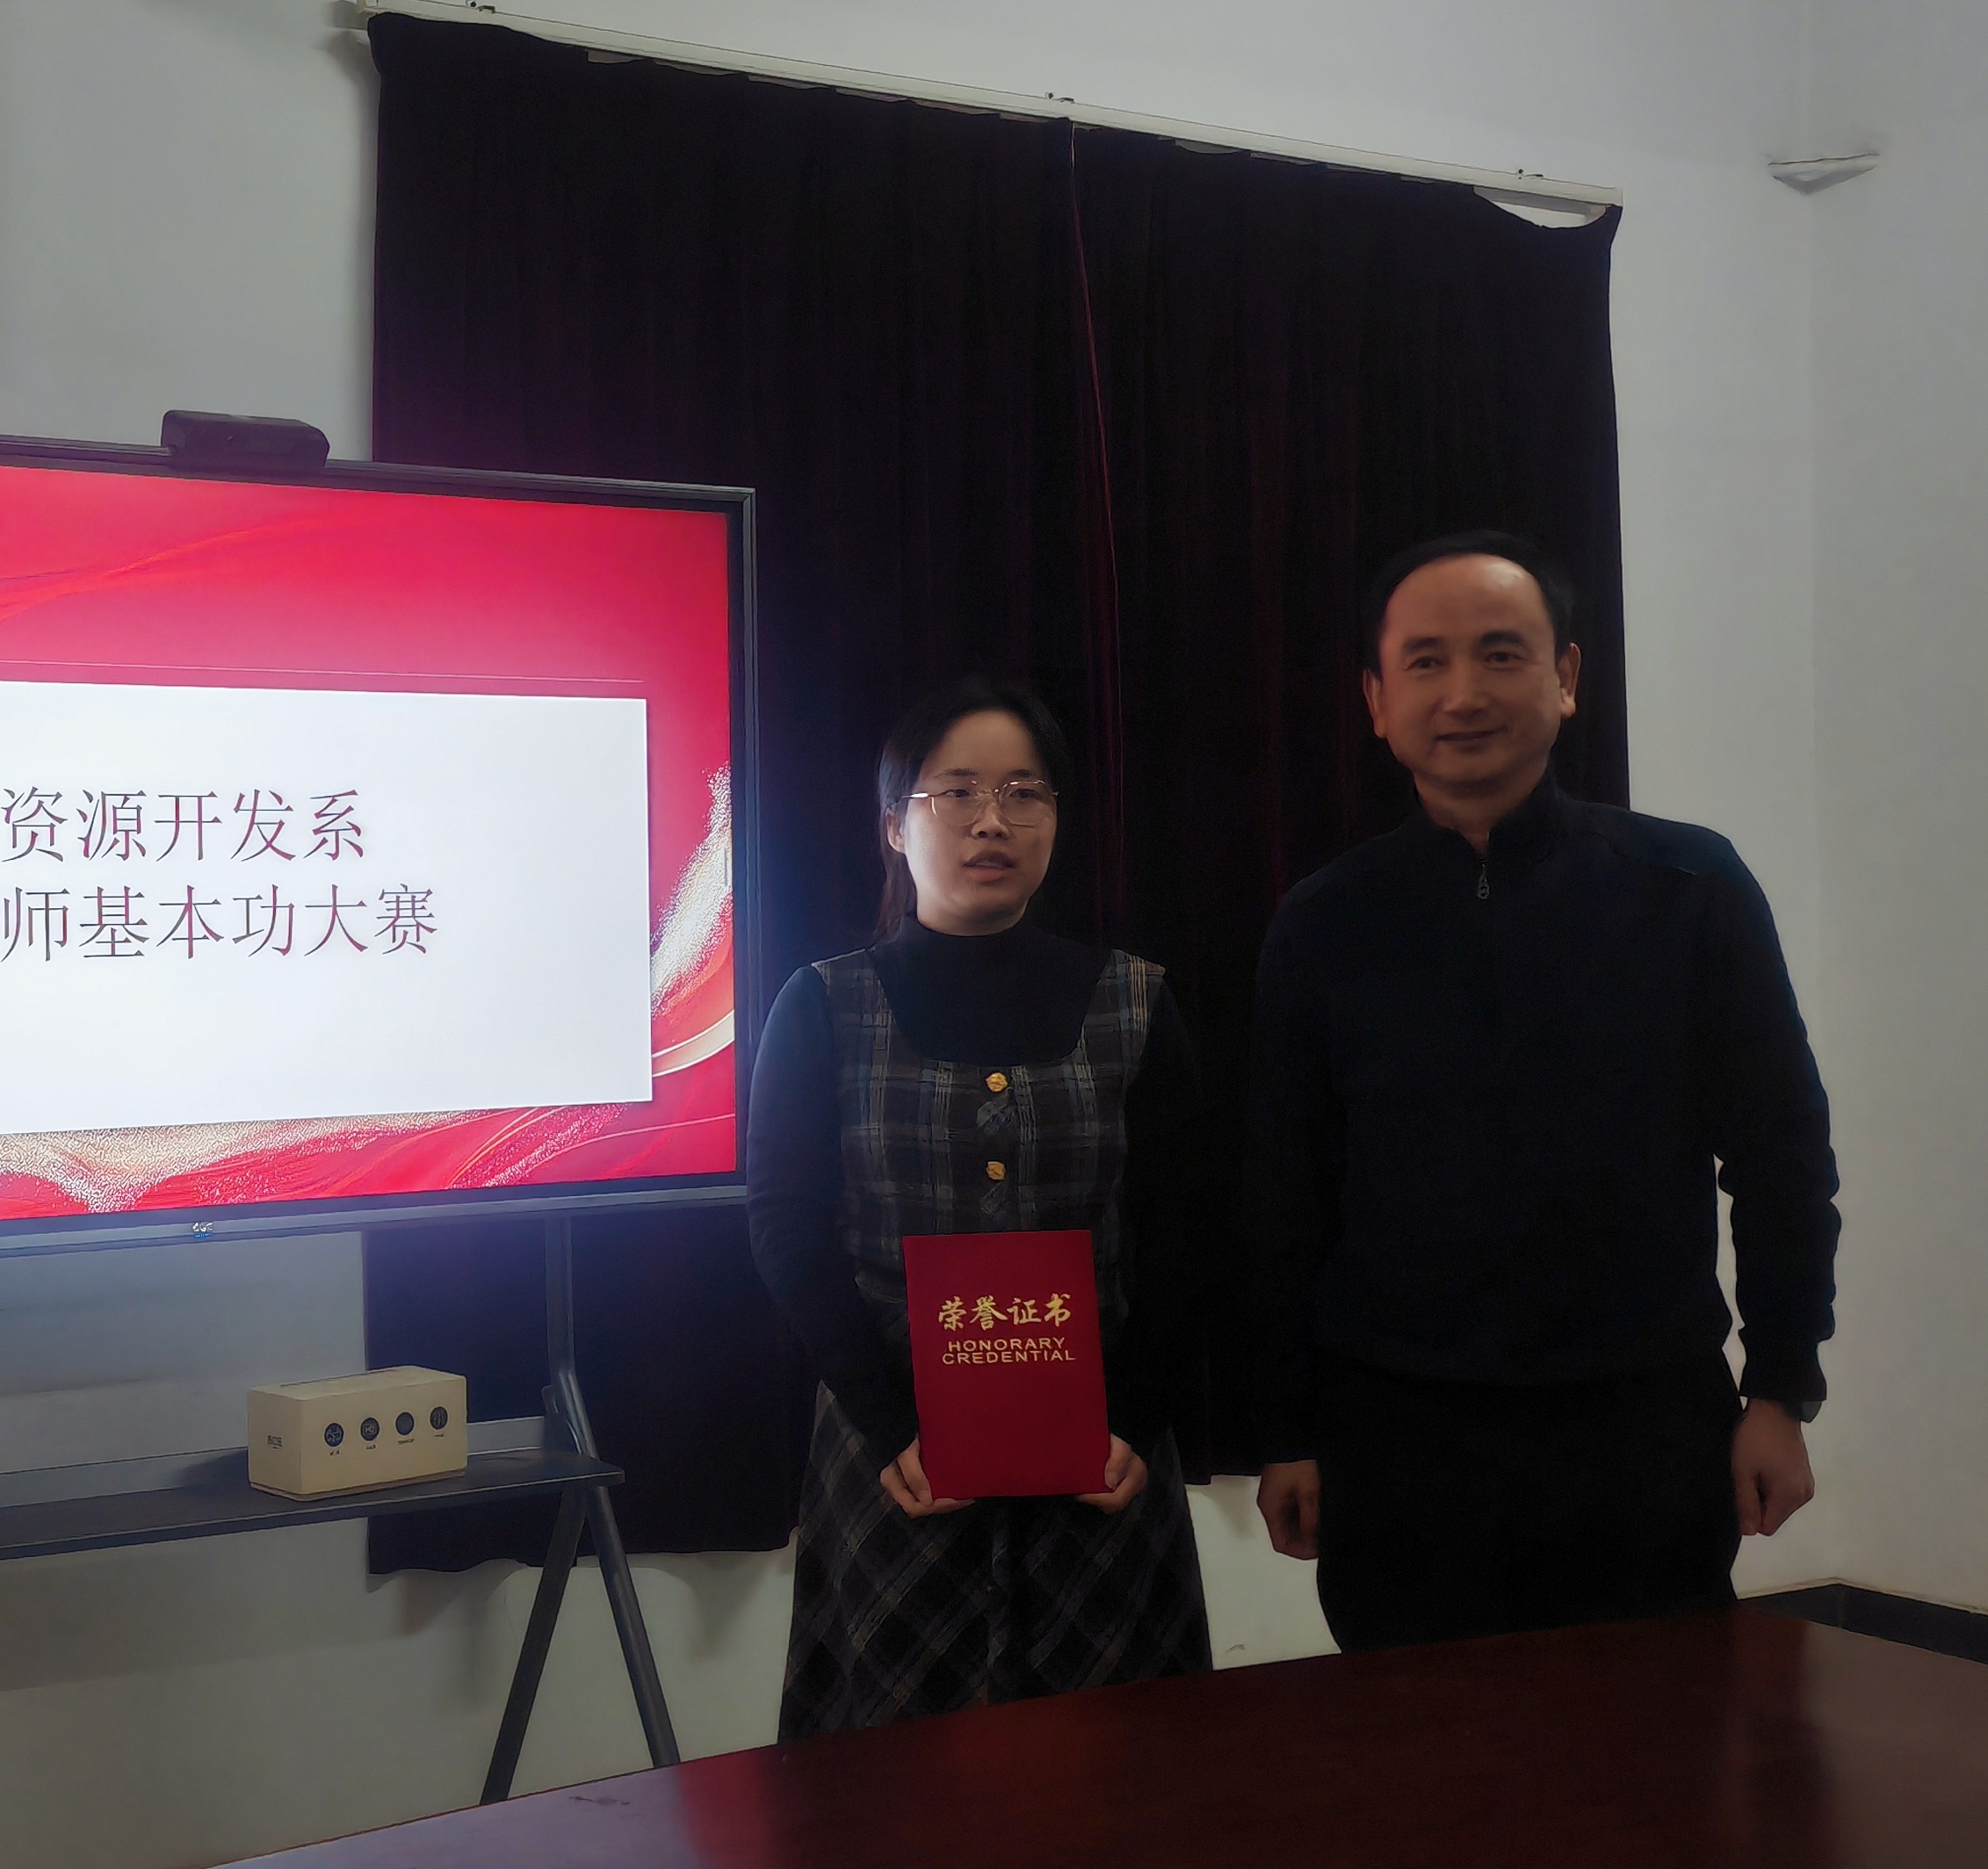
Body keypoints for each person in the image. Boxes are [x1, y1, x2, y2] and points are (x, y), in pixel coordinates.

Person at [1247, 530, 1835, 1650]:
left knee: (1654, 1739)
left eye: (1500, 653)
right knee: (1413, 1743)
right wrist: (1282, 1430)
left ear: (1565, 676)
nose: (1463, 693)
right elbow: (1281, 1196)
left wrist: (1778, 1389)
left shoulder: (1689, 888)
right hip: (1396, 1440)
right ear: (1376, 701)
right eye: (1424, 661)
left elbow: (1781, 1158)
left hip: (1640, 1425)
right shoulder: (1323, 924)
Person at [748, 675, 1215, 1740]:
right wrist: (890, 1427)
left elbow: (1186, 1225)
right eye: (954, 791)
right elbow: (785, 1225)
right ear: (893, 823)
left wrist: (1132, 1420)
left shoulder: (1134, 999)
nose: (991, 819)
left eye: (1022, 791)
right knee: (898, 1785)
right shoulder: (822, 1004)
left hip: (1098, 1468)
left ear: (1056, 815)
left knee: (1119, 1778)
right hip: (896, 1463)